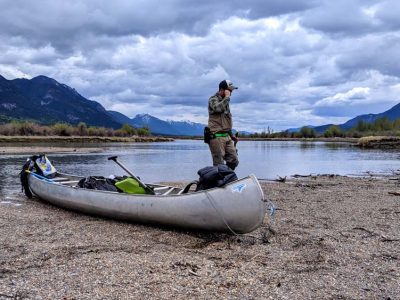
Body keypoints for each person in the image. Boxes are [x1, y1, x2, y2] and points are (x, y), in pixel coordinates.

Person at [207, 79, 239, 170]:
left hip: (227, 136)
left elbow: (226, 121)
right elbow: (218, 108)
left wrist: (232, 135)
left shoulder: (225, 102)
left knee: (234, 160)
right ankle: (219, 181)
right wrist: (227, 98)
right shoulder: (213, 99)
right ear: (222, 89)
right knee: (219, 165)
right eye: (229, 90)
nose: (231, 91)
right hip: (216, 137)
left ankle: (227, 178)